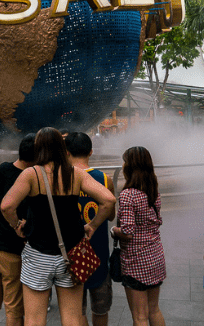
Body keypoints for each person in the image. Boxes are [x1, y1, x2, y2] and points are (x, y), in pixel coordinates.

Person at [1, 127, 115, 326]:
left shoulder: (31, 174)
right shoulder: (75, 174)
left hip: (38, 254)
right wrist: (93, 225)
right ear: (62, 148)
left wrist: (17, 225)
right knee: (72, 318)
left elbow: (7, 206)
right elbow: (109, 200)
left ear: (39, 147)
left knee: (35, 319)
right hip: (72, 254)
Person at [0, 134, 36, 326]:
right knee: (14, 309)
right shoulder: (29, 179)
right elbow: (8, 207)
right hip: (12, 251)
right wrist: (17, 226)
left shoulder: (2, 169)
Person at [111, 146, 166, 326]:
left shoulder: (128, 195)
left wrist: (114, 231)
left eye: (125, 161)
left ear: (131, 166)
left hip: (136, 262)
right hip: (155, 256)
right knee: (154, 309)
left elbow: (127, 231)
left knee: (140, 316)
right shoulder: (153, 190)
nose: (123, 164)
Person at [65, 132, 115, 326]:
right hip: (99, 254)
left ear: (67, 153)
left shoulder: (61, 179)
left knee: (77, 311)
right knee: (100, 310)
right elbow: (111, 215)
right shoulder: (104, 179)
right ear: (91, 152)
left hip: (71, 255)